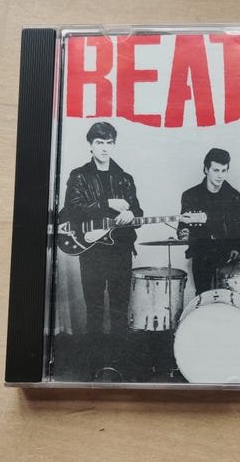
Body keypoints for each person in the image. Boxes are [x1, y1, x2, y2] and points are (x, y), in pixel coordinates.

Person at [64, 122, 143, 343]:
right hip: (92, 251)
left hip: (121, 250)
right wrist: (106, 202)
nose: (105, 148)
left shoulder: (125, 178)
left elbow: (138, 212)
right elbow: (71, 209)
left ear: (114, 145)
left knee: (120, 307)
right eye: (99, 142)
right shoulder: (79, 176)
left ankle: (119, 357)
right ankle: (94, 357)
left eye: (109, 143)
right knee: (94, 308)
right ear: (90, 145)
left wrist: (132, 214)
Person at [178, 148, 240, 295]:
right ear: (206, 169)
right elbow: (183, 226)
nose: (220, 175)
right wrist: (184, 233)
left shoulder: (234, 195)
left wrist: (237, 248)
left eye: (224, 170)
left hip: (229, 251)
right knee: (204, 295)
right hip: (202, 252)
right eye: (216, 170)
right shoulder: (190, 195)